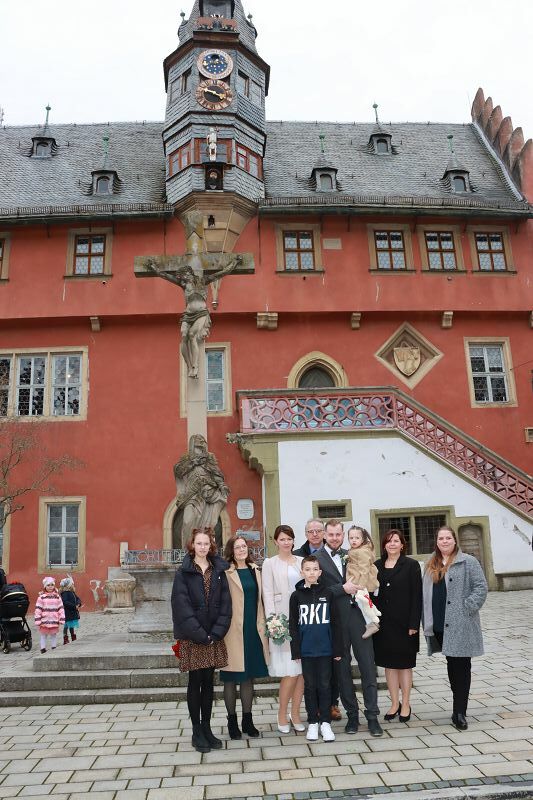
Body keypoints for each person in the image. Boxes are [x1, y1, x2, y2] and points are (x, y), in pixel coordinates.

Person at [316, 519, 383, 736]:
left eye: (338, 534)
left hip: (358, 619)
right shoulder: (317, 559)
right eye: (331, 534)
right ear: (324, 535)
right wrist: (341, 588)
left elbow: (369, 573)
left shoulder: (353, 553)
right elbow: (318, 592)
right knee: (342, 671)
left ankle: (372, 716)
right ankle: (352, 716)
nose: (335, 538)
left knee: (367, 667)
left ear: (343, 534)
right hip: (335, 622)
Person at [171, 527, 232, 753]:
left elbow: (226, 605)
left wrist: (215, 633)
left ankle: (207, 728)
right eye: (199, 543)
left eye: (206, 544)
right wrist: (200, 634)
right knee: (195, 682)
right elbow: (181, 606)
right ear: (192, 546)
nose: (203, 547)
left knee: (208, 683)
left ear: (211, 546)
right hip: (193, 636)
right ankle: (196, 731)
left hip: (213, 636)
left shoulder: (219, 570)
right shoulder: (183, 572)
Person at [422, 525, 487, 731]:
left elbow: (481, 587)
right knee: (452, 664)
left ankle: (460, 712)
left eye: (448, 538)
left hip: (461, 623)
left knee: (462, 666)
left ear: (454, 540)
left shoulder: (468, 561)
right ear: (436, 541)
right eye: (441, 538)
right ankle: (457, 706)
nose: (444, 541)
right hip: (440, 623)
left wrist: (467, 607)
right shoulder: (431, 563)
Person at [145, 256, 242, 378]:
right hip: (188, 314)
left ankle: (195, 366)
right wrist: (153, 267)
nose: (180, 278)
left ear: (188, 273)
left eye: (182, 275)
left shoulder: (203, 280)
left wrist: (234, 263)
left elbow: (221, 273)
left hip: (201, 313)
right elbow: (165, 276)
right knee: (184, 335)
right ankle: (189, 366)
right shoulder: (184, 284)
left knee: (192, 335)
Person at [289, 555, 343, 742]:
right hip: (306, 650)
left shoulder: (328, 594)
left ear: (320, 572)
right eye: (307, 569)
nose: (311, 573)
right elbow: (293, 625)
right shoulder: (296, 596)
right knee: (310, 686)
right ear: (302, 572)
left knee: (325, 685)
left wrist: (337, 649)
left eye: (314, 569)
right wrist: (296, 649)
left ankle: (325, 722)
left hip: (326, 650)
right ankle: (313, 721)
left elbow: (336, 623)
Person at [220, 535, 269, 740]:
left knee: (248, 677)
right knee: (231, 677)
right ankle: (232, 721)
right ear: (231, 551)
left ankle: (247, 721)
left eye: (244, 546)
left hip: (253, 629)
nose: (241, 550)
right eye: (237, 547)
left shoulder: (255, 570)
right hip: (232, 631)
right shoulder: (225, 572)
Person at [373, 529, 422, 724]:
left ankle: (406, 703)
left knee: (404, 665)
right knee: (389, 665)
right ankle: (394, 703)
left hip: (405, 624)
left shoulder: (411, 565)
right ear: (384, 545)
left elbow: (417, 596)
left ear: (402, 545)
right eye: (388, 541)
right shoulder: (376, 565)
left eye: (396, 541)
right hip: (383, 624)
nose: (392, 544)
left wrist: (414, 623)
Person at [262, 524, 305, 733]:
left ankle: (295, 714)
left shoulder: (302, 561)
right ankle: (281, 714)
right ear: (276, 541)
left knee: (302, 672)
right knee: (290, 671)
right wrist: (273, 622)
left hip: (303, 620)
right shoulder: (270, 563)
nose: (286, 542)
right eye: (282, 539)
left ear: (293, 541)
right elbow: (267, 593)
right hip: (283, 620)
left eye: (289, 539)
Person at [174, 434, 229, 548]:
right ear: (192, 443)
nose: (201, 442)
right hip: (192, 495)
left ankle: (205, 547)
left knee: (210, 524)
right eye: (198, 441)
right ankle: (189, 548)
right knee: (188, 520)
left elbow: (217, 474)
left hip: (208, 493)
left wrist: (222, 486)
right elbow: (178, 471)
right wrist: (194, 462)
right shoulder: (186, 459)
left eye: (202, 441)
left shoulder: (209, 459)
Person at [346, 526, 381, 638]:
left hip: (361, 582)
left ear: (363, 539)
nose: (354, 540)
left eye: (357, 538)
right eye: (351, 538)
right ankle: (374, 613)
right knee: (364, 601)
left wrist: (361, 586)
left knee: (362, 602)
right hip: (357, 579)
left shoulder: (362, 552)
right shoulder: (355, 550)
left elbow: (364, 570)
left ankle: (372, 623)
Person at [34, 577, 65, 654]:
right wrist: (38, 620)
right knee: (43, 635)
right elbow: (38, 609)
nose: (50, 587)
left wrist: (61, 618)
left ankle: (54, 647)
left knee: (53, 634)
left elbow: (61, 608)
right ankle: (43, 648)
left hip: (54, 620)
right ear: (45, 586)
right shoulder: (41, 597)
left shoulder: (57, 597)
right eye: (48, 585)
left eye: (52, 585)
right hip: (44, 620)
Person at [59, 576, 82, 644]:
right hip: (67, 612)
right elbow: (65, 602)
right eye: (72, 584)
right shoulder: (65, 593)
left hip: (73, 611)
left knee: (71, 625)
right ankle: (65, 637)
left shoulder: (72, 592)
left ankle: (73, 636)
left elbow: (78, 599)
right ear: (68, 585)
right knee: (66, 625)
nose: (73, 585)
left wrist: (78, 604)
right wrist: (74, 606)